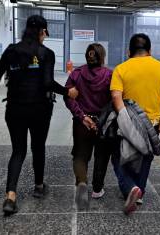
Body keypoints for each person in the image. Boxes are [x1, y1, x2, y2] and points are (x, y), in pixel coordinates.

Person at [0, 15, 78, 215]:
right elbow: (47, 82)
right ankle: (38, 186)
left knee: (18, 151)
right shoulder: (46, 53)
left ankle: (10, 196)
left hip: (15, 109)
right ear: (42, 32)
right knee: (38, 147)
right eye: (45, 33)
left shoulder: (12, 51)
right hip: (40, 109)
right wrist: (67, 91)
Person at [110, 33, 160, 215]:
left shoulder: (121, 69)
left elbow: (116, 96)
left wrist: (124, 119)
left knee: (119, 156)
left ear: (129, 51)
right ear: (150, 51)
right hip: (152, 123)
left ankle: (130, 188)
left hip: (128, 120)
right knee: (145, 157)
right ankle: (139, 191)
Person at [64, 43, 112, 210]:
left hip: (81, 124)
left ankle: (82, 182)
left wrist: (82, 116)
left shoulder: (76, 74)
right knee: (101, 156)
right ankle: (97, 189)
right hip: (102, 124)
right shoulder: (109, 75)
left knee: (80, 156)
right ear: (102, 57)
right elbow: (115, 98)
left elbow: (68, 97)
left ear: (87, 56)